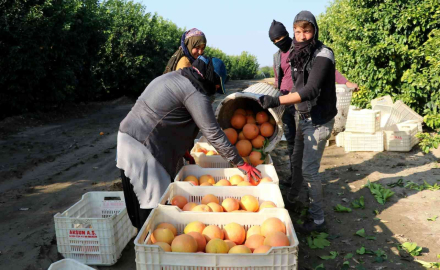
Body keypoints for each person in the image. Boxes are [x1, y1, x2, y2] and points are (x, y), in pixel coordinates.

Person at [117, 56, 261, 230]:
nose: (215, 90)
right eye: (216, 85)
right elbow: (213, 133)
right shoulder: (195, 92)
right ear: (210, 78)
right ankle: (150, 249)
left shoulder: (175, 77)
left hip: (128, 139)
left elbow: (168, 118)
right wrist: (240, 163)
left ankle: (147, 243)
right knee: (154, 206)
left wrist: (184, 150)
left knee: (140, 202)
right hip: (144, 148)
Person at [260, 11, 337, 233]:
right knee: (296, 160)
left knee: (309, 170)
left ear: (314, 30)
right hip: (302, 116)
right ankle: (292, 200)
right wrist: (277, 104)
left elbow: (310, 89)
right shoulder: (295, 53)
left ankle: (318, 219)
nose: (302, 36)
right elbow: (294, 85)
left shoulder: (324, 54)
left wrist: (277, 99)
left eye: (307, 31)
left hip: (319, 120)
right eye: (298, 31)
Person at [269, 20, 359, 188]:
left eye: (281, 38)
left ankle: (304, 175)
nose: (278, 42)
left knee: (302, 143)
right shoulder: (276, 56)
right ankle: (295, 177)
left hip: (300, 102)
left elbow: (326, 69)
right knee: (291, 141)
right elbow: (277, 77)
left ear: (288, 35)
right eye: (274, 41)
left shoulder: (302, 49)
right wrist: (276, 93)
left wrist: (345, 82)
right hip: (284, 102)